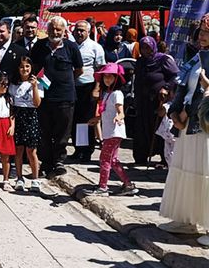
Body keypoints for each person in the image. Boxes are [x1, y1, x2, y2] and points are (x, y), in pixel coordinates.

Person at [159, 17, 209, 239]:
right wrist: (174, 112)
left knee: (205, 172)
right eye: (201, 32)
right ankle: (188, 219)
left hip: (204, 124)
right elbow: (182, 85)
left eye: (207, 33)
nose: (202, 36)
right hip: (188, 123)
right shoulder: (196, 57)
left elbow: (204, 92)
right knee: (187, 168)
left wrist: (186, 113)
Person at [30, 16, 83, 177]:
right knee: (45, 131)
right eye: (52, 29)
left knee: (63, 131)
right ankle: (46, 161)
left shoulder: (71, 47)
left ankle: (59, 160)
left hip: (65, 96)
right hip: (44, 97)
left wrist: (66, 81)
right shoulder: (40, 45)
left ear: (64, 31)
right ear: (47, 30)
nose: (55, 32)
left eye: (58, 29)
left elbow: (79, 69)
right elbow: (33, 66)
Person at [83, 63, 138, 197]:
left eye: (110, 77)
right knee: (112, 160)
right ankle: (128, 184)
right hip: (110, 132)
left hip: (114, 132)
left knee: (104, 159)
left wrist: (119, 117)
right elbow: (105, 112)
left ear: (116, 78)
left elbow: (121, 111)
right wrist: (96, 119)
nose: (107, 79)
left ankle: (103, 187)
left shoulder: (117, 94)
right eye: (105, 76)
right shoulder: (108, 94)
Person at [133, 36, 178, 165]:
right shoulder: (140, 62)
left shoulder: (163, 60)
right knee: (142, 128)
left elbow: (175, 76)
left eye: (148, 48)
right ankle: (141, 156)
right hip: (143, 101)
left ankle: (164, 158)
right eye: (143, 48)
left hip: (158, 101)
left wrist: (166, 88)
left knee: (160, 127)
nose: (146, 51)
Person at [72, 20, 106, 162]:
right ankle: (78, 148)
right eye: (77, 30)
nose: (79, 33)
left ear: (88, 31)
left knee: (87, 120)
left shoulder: (95, 47)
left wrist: (97, 88)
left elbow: (100, 69)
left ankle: (87, 150)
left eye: (82, 30)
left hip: (88, 87)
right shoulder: (70, 46)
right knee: (75, 120)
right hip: (73, 87)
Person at [9, 56, 42, 192]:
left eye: (27, 66)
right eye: (22, 67)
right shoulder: (13, 84)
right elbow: (11, 106)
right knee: (18, 149)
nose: (25, 69)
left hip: (31, 116)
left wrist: (34, 87)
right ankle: (19, 177)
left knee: (31, 150)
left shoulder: (37, 83)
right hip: (18, 116)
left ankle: (35, 179)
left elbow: (37, 103)